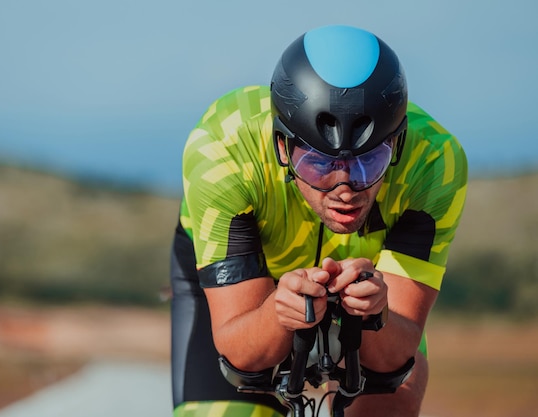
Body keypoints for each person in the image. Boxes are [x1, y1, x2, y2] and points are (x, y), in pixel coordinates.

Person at [170, 24, 467, 417]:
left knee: (394, 399)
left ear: (397, 144)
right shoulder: (223, 147)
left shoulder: (434, 163)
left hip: (370, 287)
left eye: (368, 161)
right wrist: (277, 309)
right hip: (249, 293)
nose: (345, 187)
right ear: (282, 145)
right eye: (319, 163)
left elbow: (396, 354)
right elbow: (241, 351)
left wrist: (377, 314)